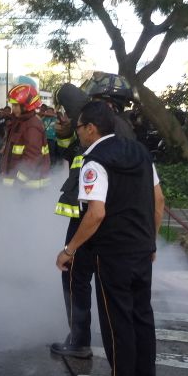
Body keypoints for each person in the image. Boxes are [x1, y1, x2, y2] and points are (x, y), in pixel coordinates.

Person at [56, 101, 164, 376]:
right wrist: (151, 241)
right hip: (142, 251)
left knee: (118, 328)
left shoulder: (94, 161)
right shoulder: (141, 153)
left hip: (114, 255)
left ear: (91, 128)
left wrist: (70, 249)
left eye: (78, 128)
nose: (77, 133)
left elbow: (96, 213)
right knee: (142, 321)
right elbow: (158, 201)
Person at [49, 72, 137, 359]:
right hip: (110, 214)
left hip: (92, 214)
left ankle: (79, 340)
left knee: (75, 274)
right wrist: (64, 135)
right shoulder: (121, 128)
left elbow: (70, 94)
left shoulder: (104, 126)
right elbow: (73, 154)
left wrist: (69, 248)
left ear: (102, 101)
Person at [0, 83, 50, 188]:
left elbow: (32, 159)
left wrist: (17, 181)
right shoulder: (20, 121)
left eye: (16, 105)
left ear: (27, 105)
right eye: (12, 105)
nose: (13, 109)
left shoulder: (32, 126)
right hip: (20, 185)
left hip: (27, 188)